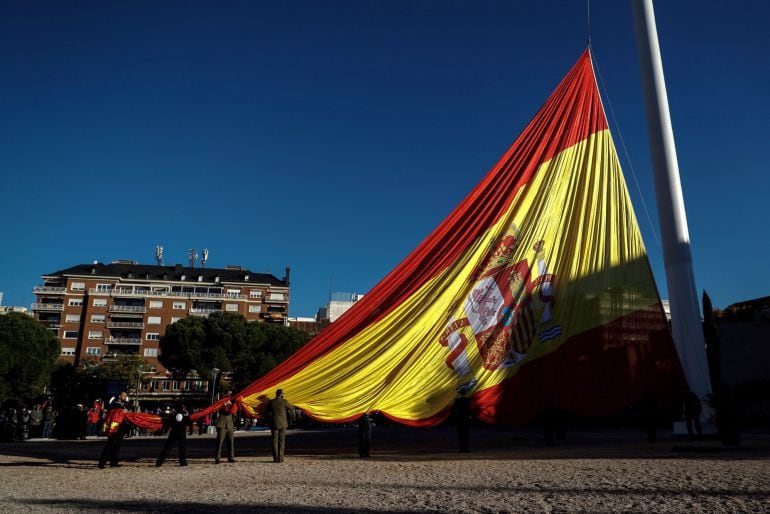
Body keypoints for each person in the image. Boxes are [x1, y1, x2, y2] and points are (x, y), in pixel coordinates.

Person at [98, 392, 129, 468]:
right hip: (114, 427)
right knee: (110, 444)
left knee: (117, 445)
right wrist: (123, 411)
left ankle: (114, 461)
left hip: (120, 427)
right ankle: (102, 462)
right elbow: (113, 413)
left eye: (125, 396)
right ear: (119, 396)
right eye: (124, 396)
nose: (125, 397)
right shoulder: (114, 404)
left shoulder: (123, 405)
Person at [266, 389, 293, 463]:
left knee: (274, 441)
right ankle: (280, 458)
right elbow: (291, 408)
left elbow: (267, 411)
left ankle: (275, 458)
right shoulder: (284, 401)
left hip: (274, 423)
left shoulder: (271, 402)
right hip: (283, 424)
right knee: (282, 441)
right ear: (281, 394)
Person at [214, 394, 238, 464]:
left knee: (231, 442)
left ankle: (231, 457)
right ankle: (217, 458)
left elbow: (233, 412)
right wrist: (225, 404)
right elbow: (219, 408)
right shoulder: (220, 402)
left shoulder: (232, 403)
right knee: (220, 442)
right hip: (222, 424)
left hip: (230, 425)